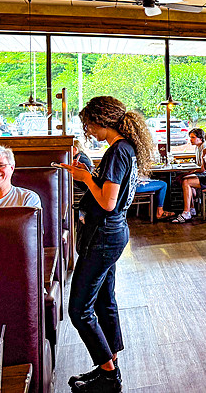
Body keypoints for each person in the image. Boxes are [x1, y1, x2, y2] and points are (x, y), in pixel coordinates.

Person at [63, 96, 153, 393]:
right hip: (113, 233)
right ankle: (109, 363)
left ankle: (108, 375)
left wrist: (86, 177)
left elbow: (108, 201)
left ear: (102, 120)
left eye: (89, 123)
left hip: (104, 235)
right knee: (104, 300)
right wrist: (88, 175)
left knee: (79, 310)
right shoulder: (126, 148)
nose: (88, 129)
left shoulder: (117, 151)